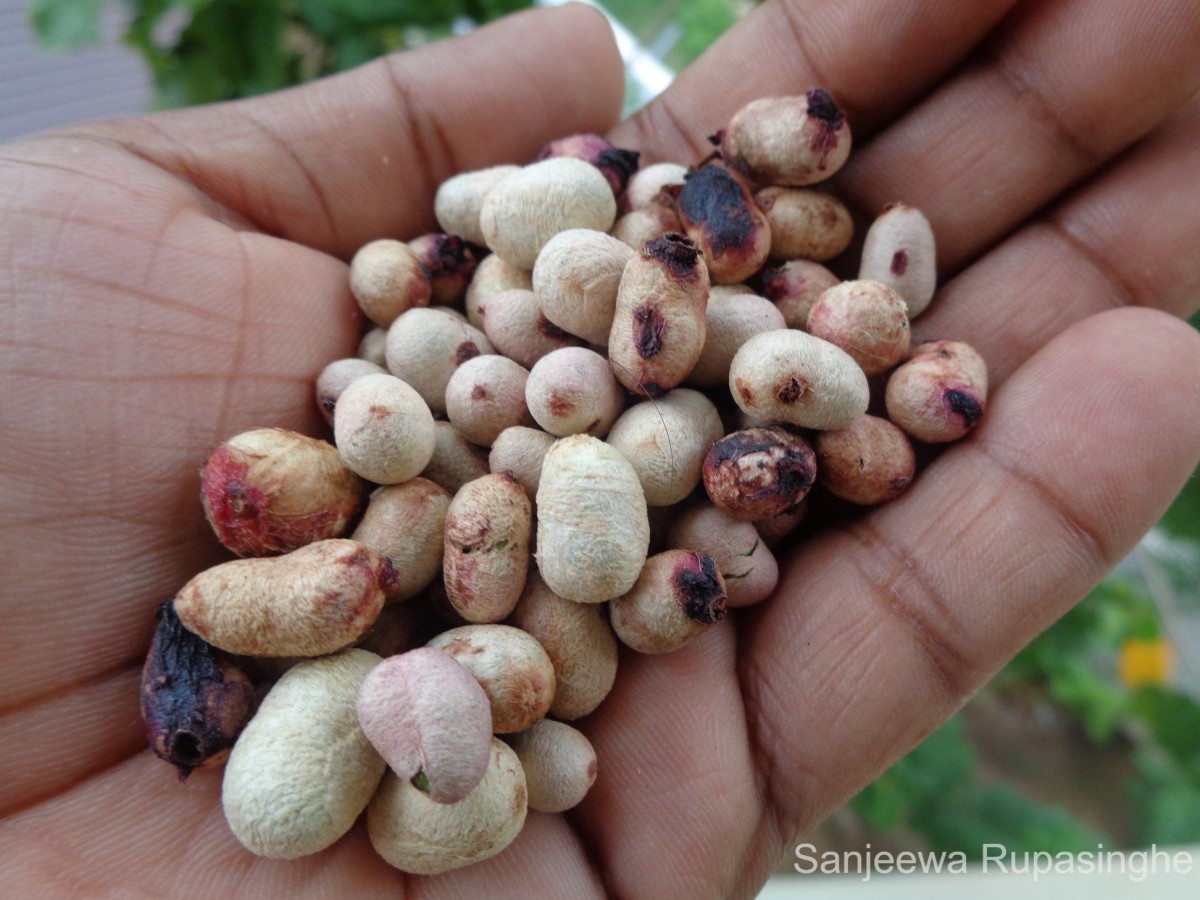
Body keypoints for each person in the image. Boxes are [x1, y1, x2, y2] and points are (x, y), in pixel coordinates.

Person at [1, 0, 1197, 895]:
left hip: (564, 432)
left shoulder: (624, 351)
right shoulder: (486, 394)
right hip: (528, 432)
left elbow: (626, 422)